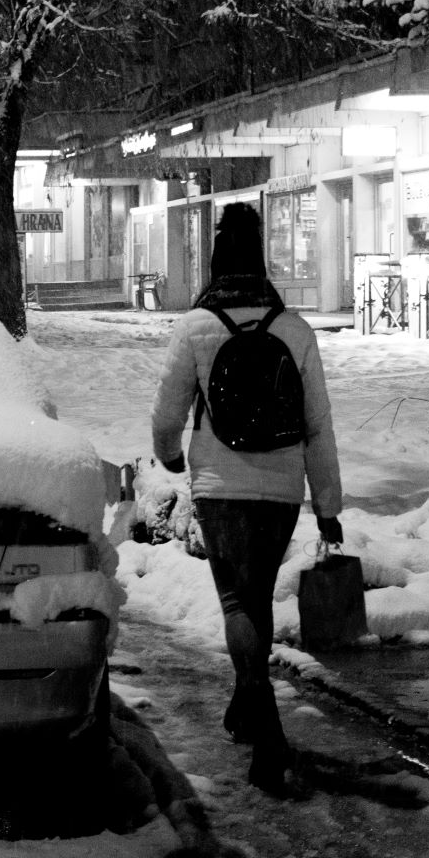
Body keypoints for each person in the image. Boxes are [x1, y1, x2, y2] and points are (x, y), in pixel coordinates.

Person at [150, 202, 343, 797]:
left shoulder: (196, 327)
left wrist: (170, 455)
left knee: (238, 602)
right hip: (281, 489)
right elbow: (318, 426)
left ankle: (270, 733)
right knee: (257, 599)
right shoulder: (294, 329)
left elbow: (167, 413)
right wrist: (328, 506)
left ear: (216, 259)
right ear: (260, 257)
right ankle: (248, 706)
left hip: (219, 487)